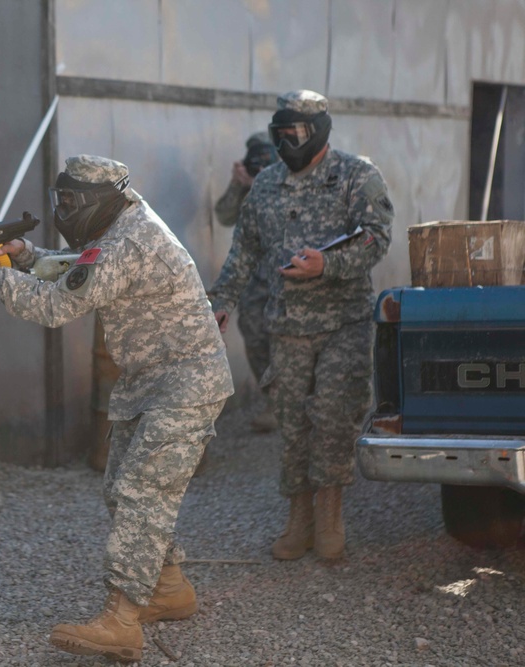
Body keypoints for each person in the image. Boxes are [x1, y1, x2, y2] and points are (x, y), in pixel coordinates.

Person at [0, 155, 233, 662]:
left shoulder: (128, 241)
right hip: (153, 380)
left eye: (71, 203)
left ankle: (122, 620)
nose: (64, 210)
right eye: (62, 200)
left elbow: (58, 304)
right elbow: (80, 268)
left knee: (142, 492)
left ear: (101, 201)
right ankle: (168, 588)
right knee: (123, 490)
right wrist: (25, 253)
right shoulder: (122, 221)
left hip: (187, 383)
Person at [209, 90, 394, 562]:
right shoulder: (266, 185)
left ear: (320, 131)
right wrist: (222, 300)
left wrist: (326, 266)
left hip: (343, 323)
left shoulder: (357, 175)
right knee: (293, 425)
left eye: (298, 134)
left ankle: (330, 518)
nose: (289, 142)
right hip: (287, 325)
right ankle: (299, 520)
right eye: (282, 134)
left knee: (332, 419)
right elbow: (245, 249)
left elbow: (377, 239)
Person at [214, 132, 281, 432]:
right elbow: (225, 215)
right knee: (254, 337)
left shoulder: (288, 179)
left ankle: (297, 403)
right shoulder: (246, 179)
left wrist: (260, 185)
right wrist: (239, 184)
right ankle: (274, 402)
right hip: (254, 277)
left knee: (286, 339)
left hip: (287, 274)